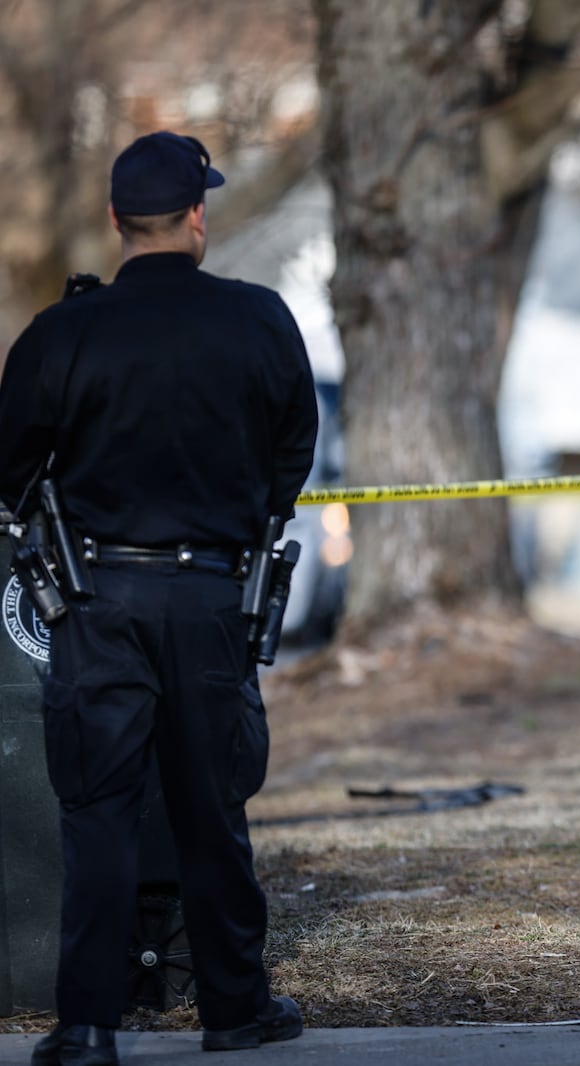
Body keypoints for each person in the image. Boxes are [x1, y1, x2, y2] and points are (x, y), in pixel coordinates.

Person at [0, 131, 318, 1065]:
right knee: (210, 807)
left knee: (96, 810)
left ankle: (89, 1024)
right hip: (215, 594)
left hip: (95, 598)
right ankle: (234, 1009)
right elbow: (291, 455)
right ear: (197, 218)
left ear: (113, 221)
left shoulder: (63, 332)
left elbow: (11, 468)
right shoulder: (259, 320)